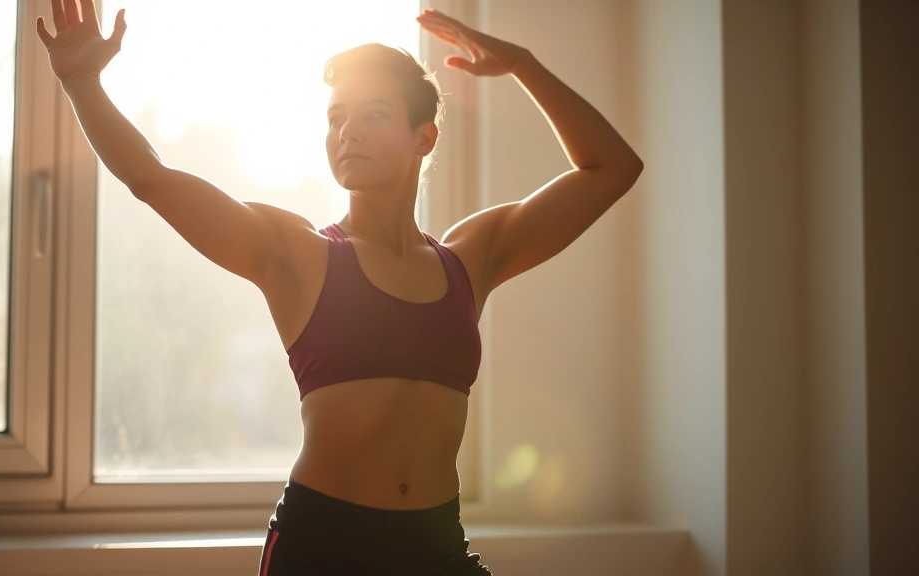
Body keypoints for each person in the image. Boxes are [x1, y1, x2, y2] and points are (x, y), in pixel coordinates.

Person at [37, 2, 643, 574]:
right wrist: (81, 84)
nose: (346, 131)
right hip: (323, 549)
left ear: (423, 138)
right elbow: (152, 179)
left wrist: (523, 66)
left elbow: (611, 169)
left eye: (374, 114)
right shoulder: (297, 254)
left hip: (437, 548)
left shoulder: (470, 259)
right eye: (335, 117)